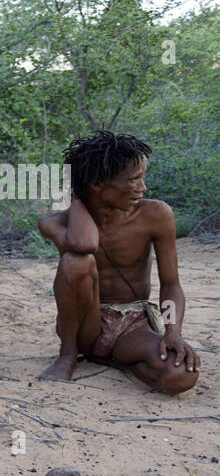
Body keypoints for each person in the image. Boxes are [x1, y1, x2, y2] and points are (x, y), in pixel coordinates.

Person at [37, 131, 199, 393]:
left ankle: (117, 362)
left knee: (180, 376)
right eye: (133, 180)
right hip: (84, 325)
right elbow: (84, 244)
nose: (142, 187)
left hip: (132, 324)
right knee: (76, 261)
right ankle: (67, 355)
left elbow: (171, 284)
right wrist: (77, 196)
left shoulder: (156, 215)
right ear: (97, 183)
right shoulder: (55, 223)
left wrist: (173, 331)